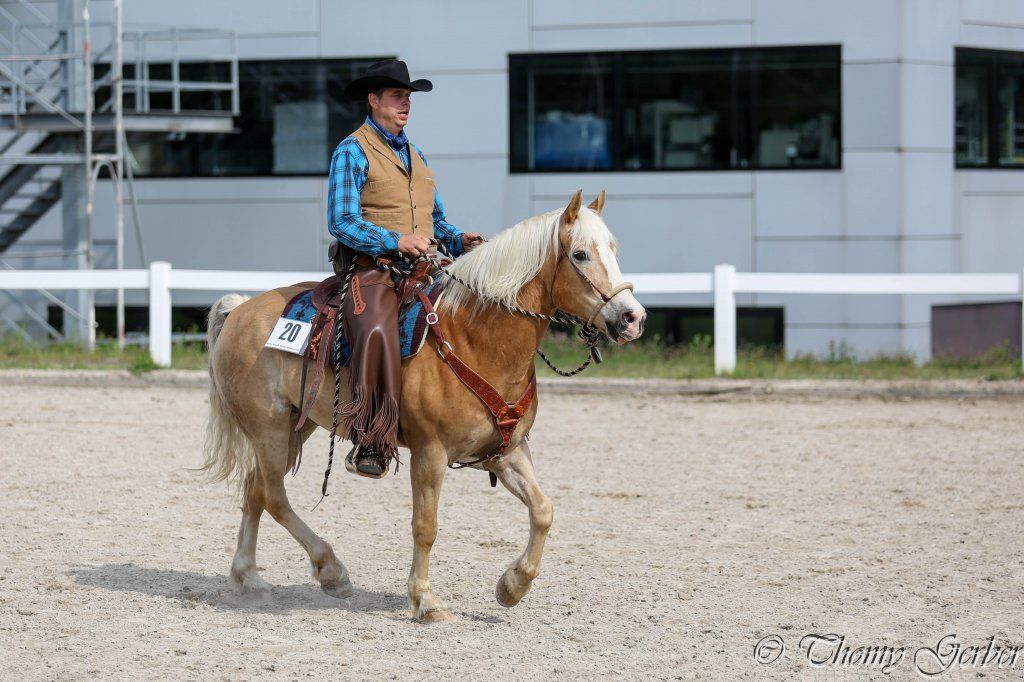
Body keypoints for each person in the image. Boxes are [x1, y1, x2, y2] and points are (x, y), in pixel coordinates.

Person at [327, 59, 483, 479]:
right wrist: (394, 240)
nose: (406, 104)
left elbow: (435, 220)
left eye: (408, 97)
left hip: (425, 269)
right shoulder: (352, 150)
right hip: (373, 269)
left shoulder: (417, 154)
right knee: (376, 329)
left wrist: (458, 240)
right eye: (397, 96)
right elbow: (341, 220)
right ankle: (370, 437)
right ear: (373, 99)